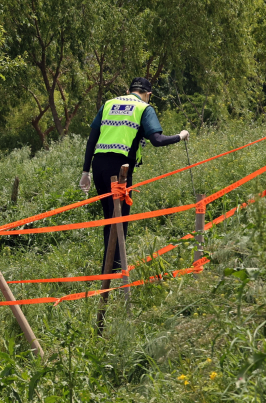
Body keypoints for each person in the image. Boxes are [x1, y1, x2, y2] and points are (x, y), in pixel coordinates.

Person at [79, 78, 189, 273]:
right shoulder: (143, 108)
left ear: (129, 90)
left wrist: (85, 171)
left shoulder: (109, 104)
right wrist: (180, 136)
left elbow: (92, 140)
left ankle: (109, 268)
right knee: (120, 220)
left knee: (109, 218)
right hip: (119, 170)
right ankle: (117, 272)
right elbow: (156, 139)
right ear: (148, 94)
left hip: (99, 167)